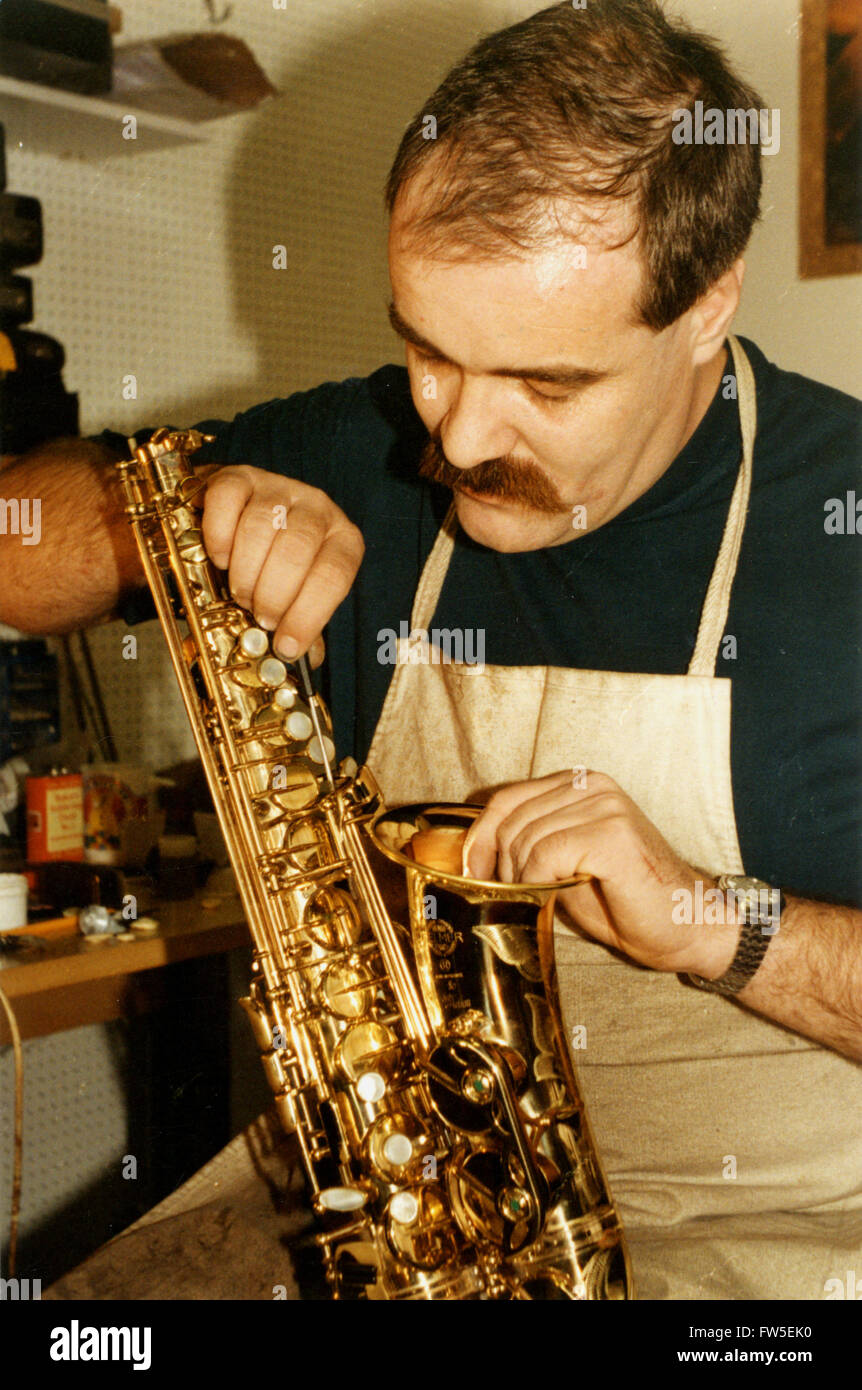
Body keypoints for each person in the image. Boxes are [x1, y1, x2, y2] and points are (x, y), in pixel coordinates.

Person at [2, 0, 860, 1300]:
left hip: (773, 1253)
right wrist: (158, 523)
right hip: (375, 1209)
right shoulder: (362, 451)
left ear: (704, 307)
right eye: (425, 351)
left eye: (545, 385)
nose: (455, 438)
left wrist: (708, 921)